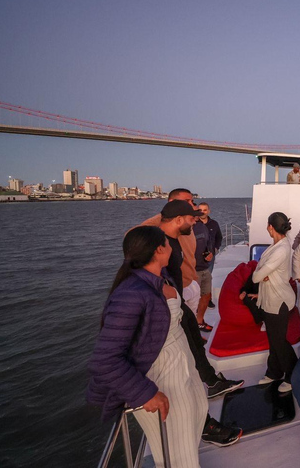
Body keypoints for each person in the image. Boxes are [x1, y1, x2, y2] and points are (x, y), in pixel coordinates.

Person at [88, 226, 208, 467]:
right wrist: (145, 393)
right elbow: (104, 360)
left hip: (182, 364)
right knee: (177, 450)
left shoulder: (162, 277)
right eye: (167, 242)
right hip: (161, 374)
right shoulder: (131, 293)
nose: (172, 246)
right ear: (159, 250)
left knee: (198, 415)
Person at [141, 192, 243, 446]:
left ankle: (208, 392)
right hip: (168, 312)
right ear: (176, 218)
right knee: (182, 374)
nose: (196, 217)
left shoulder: (178, 237)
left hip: (179, 303)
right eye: (191, 213)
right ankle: (203, 425)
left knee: (195, 352)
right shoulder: (155, 241)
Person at [240, 212, 298, 393]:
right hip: (270, 299)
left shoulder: (281, 249)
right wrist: (264, 277)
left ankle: (293, 375)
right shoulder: (277, 245)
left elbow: (256, 275)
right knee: (274, 340)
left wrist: (264, 276)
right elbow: (261, 272)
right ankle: (274, 372)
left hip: (278, 301)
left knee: (279, 342)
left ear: (271, 227)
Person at [197, 202, 222, 310]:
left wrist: (216, 248)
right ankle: (197, 300)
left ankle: (208, 299)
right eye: (200, 210)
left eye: (205, 210)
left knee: (208, 278)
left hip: (210, 257)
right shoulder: (194, 224)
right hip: (197, 258)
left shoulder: (214, 224)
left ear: (209, 211)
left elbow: (219, 237)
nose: (202, 212)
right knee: (197, 280)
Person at [193, 216, 215, 332]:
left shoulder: (202, 227)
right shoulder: (184, 229)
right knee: (191, 299)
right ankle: (191, 328)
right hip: (192, 271)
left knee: (206, 295)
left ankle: (199, 321)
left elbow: (209, 241)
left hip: (205, 268)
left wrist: (210, 253)